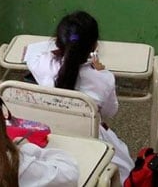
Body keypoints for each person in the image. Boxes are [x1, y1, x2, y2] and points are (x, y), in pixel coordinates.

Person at [26, 10, 134, 182]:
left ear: (57, 43)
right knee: (125, 163)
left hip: (48, 137)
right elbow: (109, 113)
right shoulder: (103, 78)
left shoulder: (42, 64)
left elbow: (30, 51)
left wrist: (60, 48)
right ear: (94, 46)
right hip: (88, 140)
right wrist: (100, 71)